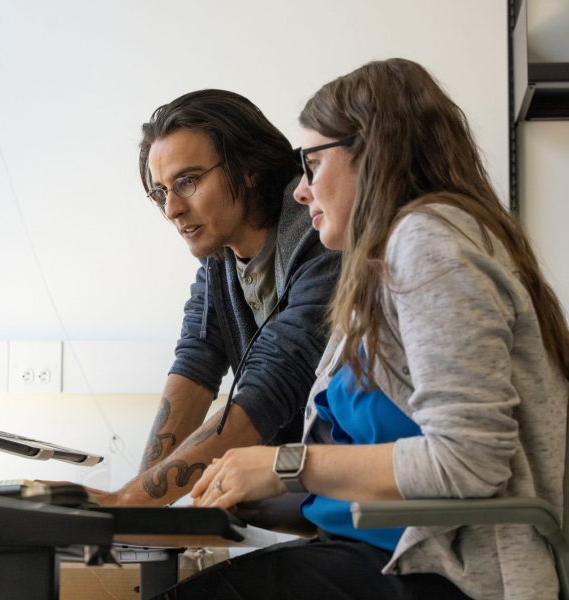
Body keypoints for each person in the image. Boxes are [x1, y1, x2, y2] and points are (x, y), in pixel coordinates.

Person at [172, 58, 569, 599]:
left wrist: (287, 465)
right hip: (389, 561)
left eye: (311, 163)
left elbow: (469, 462)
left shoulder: (429, 243)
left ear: (373, 154)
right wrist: (263, 491)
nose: (300, 191)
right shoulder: (387, 266)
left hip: (454, 579)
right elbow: (374, 489)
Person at [96, 90, 341, 506]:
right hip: (310, 495)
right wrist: (139, 503)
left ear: (247, 169)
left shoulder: (323, 236)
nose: (172, 208)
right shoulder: (219, 258)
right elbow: (196, 362)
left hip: (363, 499)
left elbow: (272, 384)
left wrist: (129, 504)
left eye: (188, 182)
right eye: (161, 193)